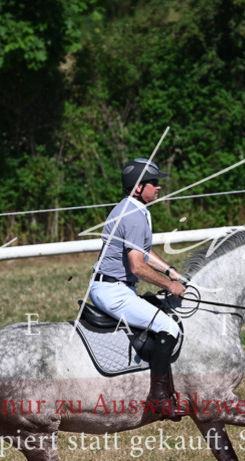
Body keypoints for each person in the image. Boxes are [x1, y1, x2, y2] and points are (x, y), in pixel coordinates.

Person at [89, 158, 188, 419]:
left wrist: (169, 270)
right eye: (153, 182)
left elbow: (143, 252)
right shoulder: (133, 216)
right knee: (169, 327)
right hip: (113, 291)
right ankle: (159, 399)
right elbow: (137, 266)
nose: (158, 187)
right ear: (138, 187)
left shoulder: (132, 209)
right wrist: (170, 285)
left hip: (114, 287)